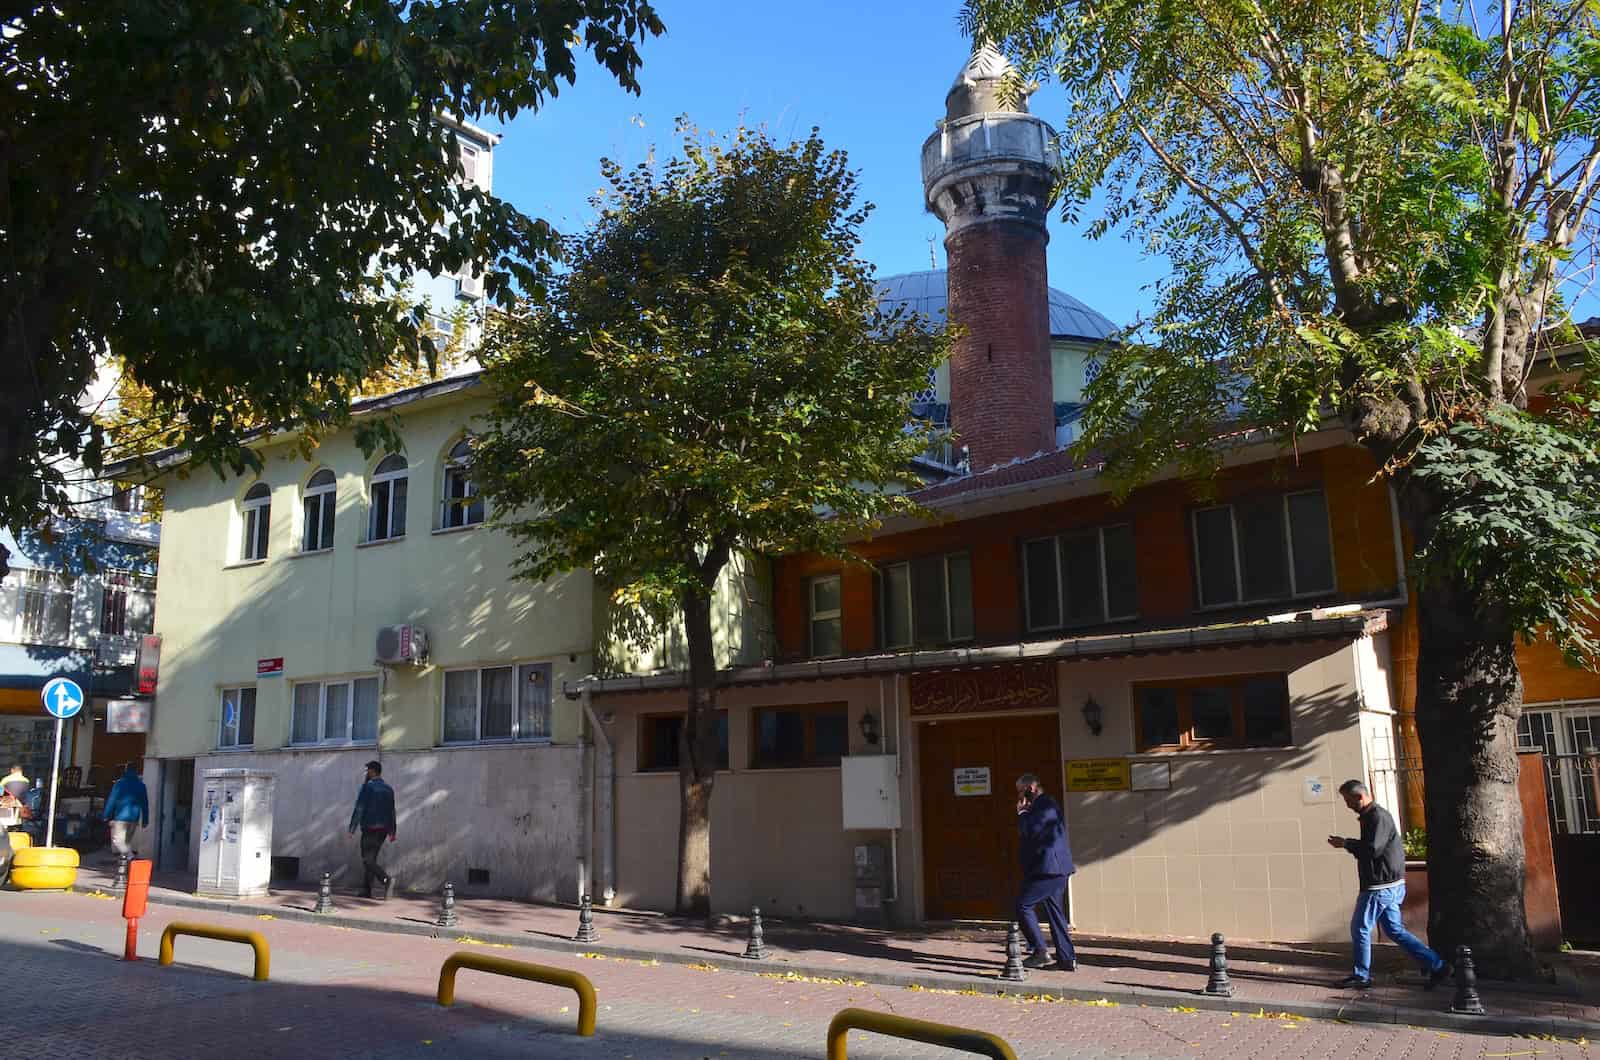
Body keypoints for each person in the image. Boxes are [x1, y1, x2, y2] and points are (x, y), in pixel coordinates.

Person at [1328, 779, 1451, 990]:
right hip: (1390, 884)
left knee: (1360, 928)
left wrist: (1346, 843)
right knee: (1395, 930)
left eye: (1348, 801)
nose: (1347, 806)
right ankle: (1437, 965)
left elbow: (1372, 850)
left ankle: (1361, 975)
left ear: (1360, 797)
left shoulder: (1377, 817)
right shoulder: (1373, 816)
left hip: (1379, 886)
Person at [1014, 772, 1077, 971]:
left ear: (1030, 788)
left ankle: (1040, 951)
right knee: (1055, 914)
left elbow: (1031, 832)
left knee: (1023, 905)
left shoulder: (1044, 804)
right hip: (1053, 869)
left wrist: (1022, 813)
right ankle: (1067, 959)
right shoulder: (1044, 805)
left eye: (1021, 792)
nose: (1020, 797)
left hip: (1049, 870)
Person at [349, 760, 397, 899]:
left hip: (369, 828)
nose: (366, 773)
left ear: (372, 771)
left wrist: (352, 827)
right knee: (371, 859)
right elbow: (392, 811)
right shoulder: (389, 789)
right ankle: (367, 890)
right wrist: (392, 831)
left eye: (367, 770)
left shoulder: (367, 787)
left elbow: (359, 808)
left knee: (366, 859)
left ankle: (386, 879)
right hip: (383, 830)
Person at [102, 761, 150, 859]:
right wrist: (145, 820)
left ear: (125, 770)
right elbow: (145, 804)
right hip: (134, 818)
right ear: (137, 771)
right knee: (127, 842)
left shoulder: (119, 784)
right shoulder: (141, 785)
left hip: (120, 817)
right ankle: (125, 868)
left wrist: (106, 815)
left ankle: (130, 857)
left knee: (118, 840)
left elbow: (112, 800)